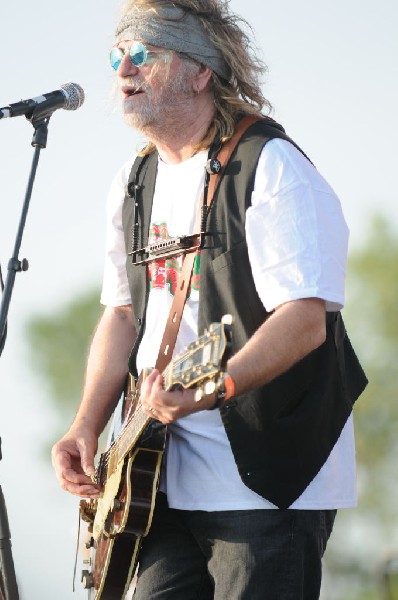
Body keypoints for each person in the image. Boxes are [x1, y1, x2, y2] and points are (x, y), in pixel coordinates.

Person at [52, 0, 367, 598]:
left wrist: (211, 388)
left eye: (144, 54)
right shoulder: (134, 181)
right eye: (116, 55)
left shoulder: (271, 166)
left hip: (268, 479)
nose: (124, 69)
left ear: (201, 72)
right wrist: (86, 425)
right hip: (154, 479)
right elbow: (122, 312)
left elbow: (304, 321)